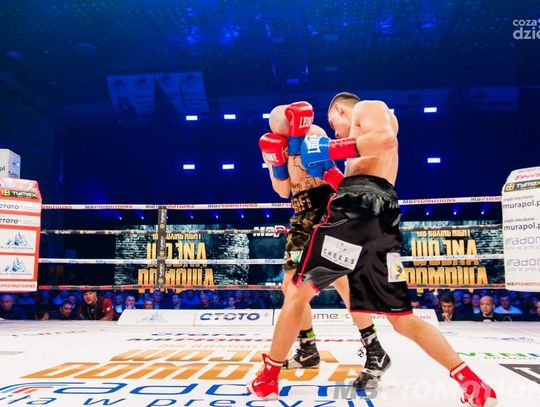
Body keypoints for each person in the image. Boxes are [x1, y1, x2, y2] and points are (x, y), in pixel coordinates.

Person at [248, 93, 497, 407]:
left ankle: (269, 378)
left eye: (334, 125)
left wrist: (328, 149)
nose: (335, 132)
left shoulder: (369, 107)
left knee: (297, 291)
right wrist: (327, 169)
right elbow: (354, 174)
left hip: (355, 209)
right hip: (379, 217)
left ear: (340, 110)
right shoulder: (355, 151)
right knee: (402, 318)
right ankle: (472, 383)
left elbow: (384, 140)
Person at [259, 103, 390, 386]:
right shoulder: (272, 145)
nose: (283, 137)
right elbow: (283, 190)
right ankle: (311, 348)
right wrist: (277, 165)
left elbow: (314, 169)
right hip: (300, 214)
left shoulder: (313, 132)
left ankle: (372, 349)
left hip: (325, 207)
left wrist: (295, 148)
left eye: (285, 133)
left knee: (334, 283)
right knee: (296, 287)